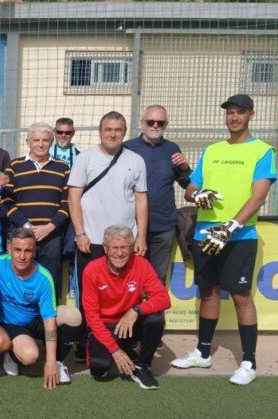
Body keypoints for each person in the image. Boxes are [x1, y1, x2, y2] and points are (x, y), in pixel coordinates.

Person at [171, 94, 276, 386]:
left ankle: (249, 362)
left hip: (239, 235)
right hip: (206, 234)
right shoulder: (212, 150)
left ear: (251, 115)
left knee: (241, 296)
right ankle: (203, 353)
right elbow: (191, 189)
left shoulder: (263, 151)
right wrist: (198, 195)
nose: (234, 117)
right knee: (208, 292)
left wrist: (230, 227)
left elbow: (258, 197)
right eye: (230, 112)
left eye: (240, 112)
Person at [67, 111, 148, 361]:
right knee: (88, 297)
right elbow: (73, 198)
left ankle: (124, 339)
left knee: (126, 294)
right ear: (100, 132)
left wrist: (141, 237)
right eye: (108, 129)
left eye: (118, 130)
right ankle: (85, 341)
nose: (113, 134)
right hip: (90, 241)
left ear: (124, 132)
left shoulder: (136, 160)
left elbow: (141, 200)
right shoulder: (85, 158)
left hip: (124, 243)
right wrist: (80, 233)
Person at [0, 227, 82, 387]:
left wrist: (50, 362)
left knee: (73, 316)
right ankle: (10, 351)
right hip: (6, 324)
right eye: (17, 250)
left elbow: (49, 323)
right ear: (9, 249)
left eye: (27, 251)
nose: (22, 256)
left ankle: (58, 362)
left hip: (33, 319)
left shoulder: (43, 276)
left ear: (35, 251)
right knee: (30, 356)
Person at [82, 225, 170, 390]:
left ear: (131, 248)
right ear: (105, 248)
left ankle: (142, 366)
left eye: (124, 247)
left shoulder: (142, 265)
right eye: (114, 248)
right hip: (105, 325)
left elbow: (163, 299)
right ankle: (121, 348)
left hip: (129, 323)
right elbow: (92, 317)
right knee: (99, 368)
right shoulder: (92, 270)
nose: (119, 253)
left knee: (156, 318)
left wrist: (137, 310)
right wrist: (115, 351)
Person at [123, 105, 192, 284]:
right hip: (132, 225)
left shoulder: (172, 149)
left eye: (160, 123)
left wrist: (185, 168)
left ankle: (154, 304)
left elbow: (187, 184)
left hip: (163, 226)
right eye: (151, 122)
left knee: (157, 278)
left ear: (166, 125)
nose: (155, 126)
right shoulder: (127, 149)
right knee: (130, 278)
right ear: (142, 123)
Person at [0, 122, 70, 297]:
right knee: (19, 278)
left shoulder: (63, 168)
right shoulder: (14, 166)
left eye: (45, 140)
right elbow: (6, 201)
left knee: (49, 279)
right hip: (21, 233)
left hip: (51, 235)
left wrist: (50, 227)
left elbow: (67, 203)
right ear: (28, 142)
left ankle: (48, 311)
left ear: (51, 142)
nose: (40, 144)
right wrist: (26, 226)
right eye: (36, 140)